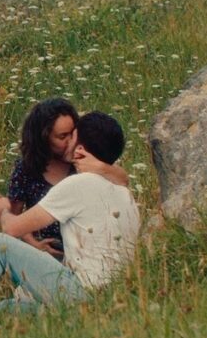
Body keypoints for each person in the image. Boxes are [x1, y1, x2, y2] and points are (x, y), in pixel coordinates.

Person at [0, 112, 141, 312]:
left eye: (71, 136)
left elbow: (11, 229)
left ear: (80, 150)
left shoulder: (77, 184)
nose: (66, 143)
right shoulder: (126, 194)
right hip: (108, 300)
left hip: (81, 293)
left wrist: (4, 210)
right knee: (7, 309)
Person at [7, 98, 128, 260]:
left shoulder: (83, 163)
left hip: (85, 252)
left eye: (73, 133)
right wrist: (33, 244)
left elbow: (123, 179)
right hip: (45, 251)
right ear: (44, 139)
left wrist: (100, 167)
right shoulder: (27, 169)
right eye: (62, 136)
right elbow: (14, 216)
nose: (70, 141)